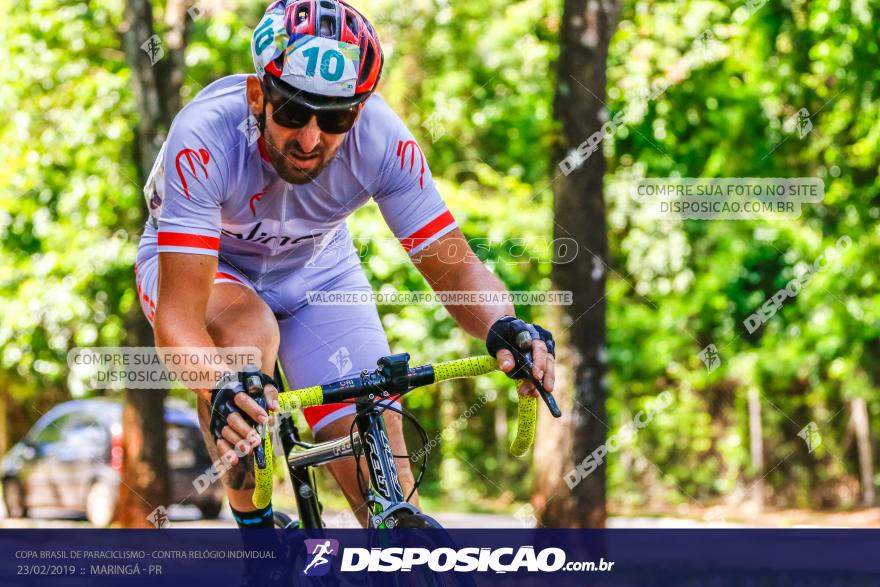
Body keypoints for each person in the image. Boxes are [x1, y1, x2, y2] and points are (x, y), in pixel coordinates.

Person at [135, 0, 556, 530]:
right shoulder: (206, 135)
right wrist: (219, 383)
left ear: (358, 110)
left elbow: (455, 266)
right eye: (291, 112)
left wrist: (505, 325)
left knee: (377, 435)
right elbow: (178, 322)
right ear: (257, 94)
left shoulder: (381, 138)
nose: (310, 140)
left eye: (335, 118)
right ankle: (258, 537)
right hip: (207, 265)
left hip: (317, 269)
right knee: (245, 339)